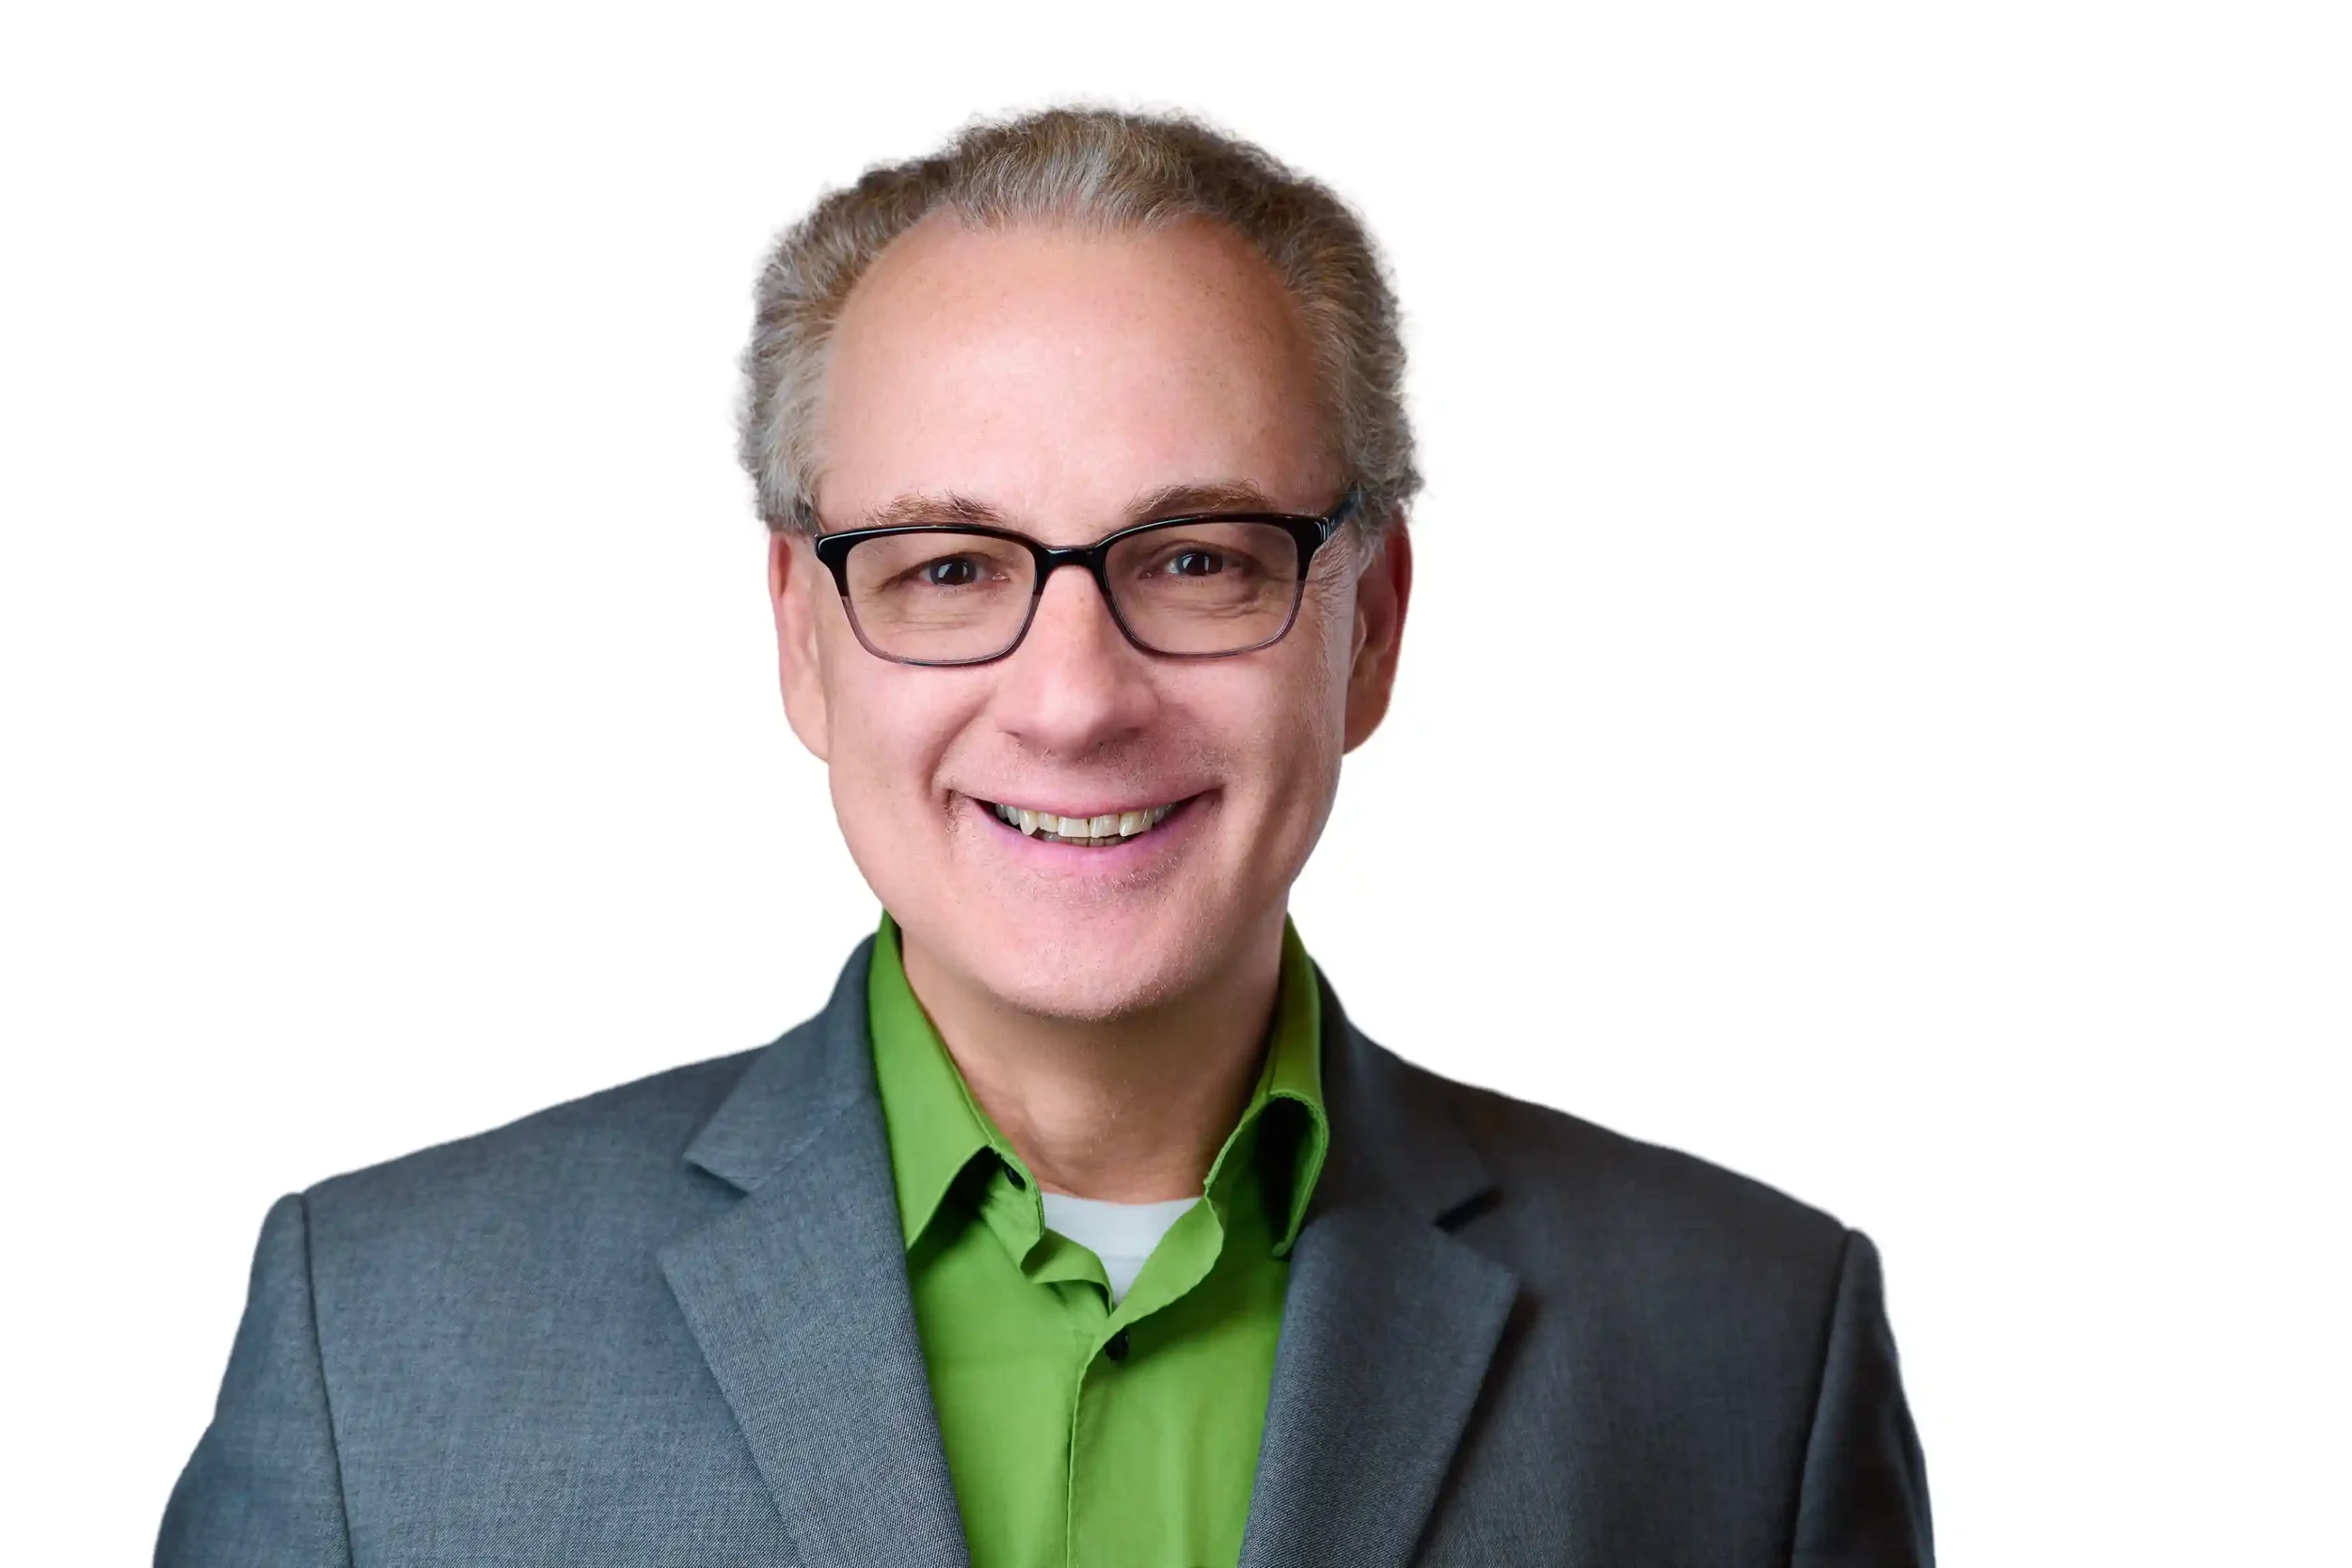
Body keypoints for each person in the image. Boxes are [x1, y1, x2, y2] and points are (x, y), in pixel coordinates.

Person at [159, 106, 1931, 1568]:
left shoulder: (1752, 1352)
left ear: (1370, 623)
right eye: (947, 568)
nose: (1074, 697)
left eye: (1196, 559)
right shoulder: (379, 1354)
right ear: (802, 632)